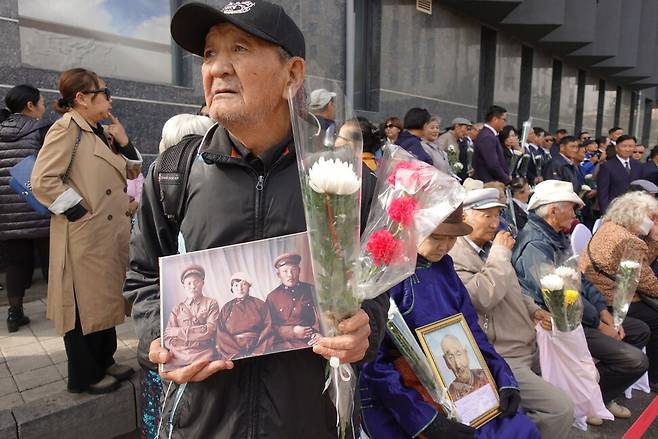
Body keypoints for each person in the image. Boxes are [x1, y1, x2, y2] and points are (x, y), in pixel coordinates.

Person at [124, 2, 388, 437]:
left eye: (241, 48)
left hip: (310, 416)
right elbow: (142, 277)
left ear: (293, 73)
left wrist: (367, 326)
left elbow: (379, 282)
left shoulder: (340, 177)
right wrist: (159, 338)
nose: (218, 69)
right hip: (205, 419)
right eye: (210, 54)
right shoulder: (173, 172)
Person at [359, 202, 540, 439]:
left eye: (451, 238)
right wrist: (424, 419)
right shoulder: (385, 275)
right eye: (436, 237)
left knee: (518, 429)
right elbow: (373, 362)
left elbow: (471, 330)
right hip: (401, 397)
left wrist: (503, 377)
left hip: (462, 389)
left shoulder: (444, 267)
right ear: (414, 228)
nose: (445, 247)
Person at [31, 68, 141, 394]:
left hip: (105, 235)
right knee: (80, 307)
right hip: (84, 234)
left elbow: (131, 171)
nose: (109, 99)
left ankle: (104, 360)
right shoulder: (66, 130)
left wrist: (125, 142)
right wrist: (79, 211)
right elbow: (42, 180)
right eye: (104, 92)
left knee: (103, 300)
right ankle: (84, 375)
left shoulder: (98, 131)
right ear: (81, 98)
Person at [511, 180, 649, 423]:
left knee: (639, 330)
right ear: (553, 211)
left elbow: (580, 280)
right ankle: (584, 403)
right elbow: (558, 297)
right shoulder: (536, 244)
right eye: (571, 208)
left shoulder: (553, 234)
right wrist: (598, 324)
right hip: (558, 322)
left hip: (579, 314)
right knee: (635, 361)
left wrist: (603, 311)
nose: (575, 214)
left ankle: (596, 397)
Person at [449, 188, 574, 439]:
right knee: (559, 409)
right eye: (487, 216)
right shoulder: (455, 254)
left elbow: (513, 288)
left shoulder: (486, 247)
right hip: (502, 355)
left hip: (527, 344)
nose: (496, 223)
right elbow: (482, 298)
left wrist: (533, 309)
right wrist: (500, 254)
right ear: (465, 217)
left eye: (497, 215)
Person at [579, 191, 658, 392]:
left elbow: (639, 268)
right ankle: (653, 377)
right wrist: (655, 238)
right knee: (654, 320)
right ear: (636, 215)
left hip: (596, 292)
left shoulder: (610, 226)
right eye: (652, 217)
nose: (654, 221)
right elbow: (647, 283)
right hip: (610, 299)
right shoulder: (629, 240)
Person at [0, 84, 51, 332]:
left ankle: (14, 313)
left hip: (8, 212)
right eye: (41, 102)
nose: (44, 106)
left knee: (15, 264)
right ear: (30, 105)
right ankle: (57, 309)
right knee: (52, 261)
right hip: (39, 207)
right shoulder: (42, 130)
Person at [164, 265, 220, 367]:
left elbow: (211, 330)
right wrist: (181, 344)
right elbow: (167, 336)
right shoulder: (177, 309)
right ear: (184, 286)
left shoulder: (211, 303)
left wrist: (179, 332)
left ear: (202, 283)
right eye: (189, 283)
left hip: (204, 352)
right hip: (180, 353)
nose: (193, 286)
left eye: (196, 282)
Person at [266, 252, 320, 350]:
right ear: (278, 274)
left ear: (299, 271)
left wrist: (320, 334)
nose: (290, 275)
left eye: (293, 270)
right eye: (285, 271)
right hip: (282, 345)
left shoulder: (310, 290)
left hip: (311, 341)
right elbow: (267, 327)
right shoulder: (272, 297)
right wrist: (292, 332)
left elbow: (325, 317)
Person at [216, 272, 273, 360]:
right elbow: (220, 333)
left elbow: (268, 328)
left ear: (249, 286)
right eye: (236, 285)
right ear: (232, 288)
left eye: (244, 284)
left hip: (257, 349)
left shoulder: (260, 304)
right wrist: (235, 354)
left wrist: (257, 352)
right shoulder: (226, 308)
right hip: (232, 352)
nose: (240, 288)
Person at [597, 134, 643, 212]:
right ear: (616, 148)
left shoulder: (638, 165)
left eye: (631, 146)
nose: (627, 149)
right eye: (624, 146)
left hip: (634, 210)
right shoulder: (607, 166)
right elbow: (603, 193)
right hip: (615, 210)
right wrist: (605, 212)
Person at [440, 334, 489, 400]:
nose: (458, 365)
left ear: (466, 354)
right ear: (447, 363)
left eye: (459, 354)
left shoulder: (484, 375)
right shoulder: (451, 394)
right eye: (450, 357)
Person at [472, 105, 511, 185]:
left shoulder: (491, 135)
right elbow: (493, 164)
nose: (505, 123)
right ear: (495, 119)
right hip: (488, 182)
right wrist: (506, 180)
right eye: (504, 119)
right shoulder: (487, 137)